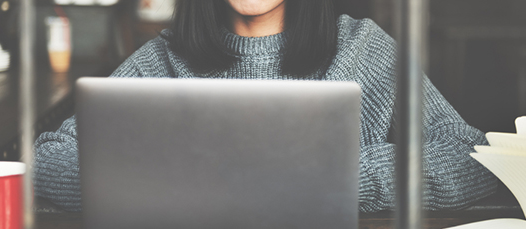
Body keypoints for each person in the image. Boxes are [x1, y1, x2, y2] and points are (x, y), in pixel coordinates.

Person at [34, 0, 497, 212]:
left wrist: (331, 177)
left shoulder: (365, 50)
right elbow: (47, 156)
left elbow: (472, 155)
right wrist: (174, 178)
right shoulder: (162, 58)